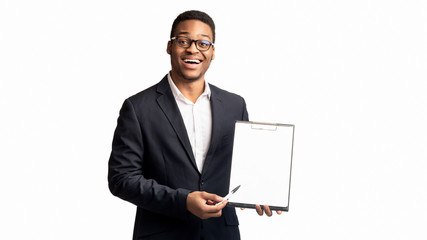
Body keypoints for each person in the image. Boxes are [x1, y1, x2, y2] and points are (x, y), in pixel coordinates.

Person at [108, 10, 279, 240]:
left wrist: (260, 189)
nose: (193, 49)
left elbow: (244, 169)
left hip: (222, 234)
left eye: (203, 43)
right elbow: (122, 179)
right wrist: (183, 201)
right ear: (170, 47)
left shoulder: (234, 105)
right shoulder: (138, 108)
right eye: (183, 41)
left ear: (213, 51)